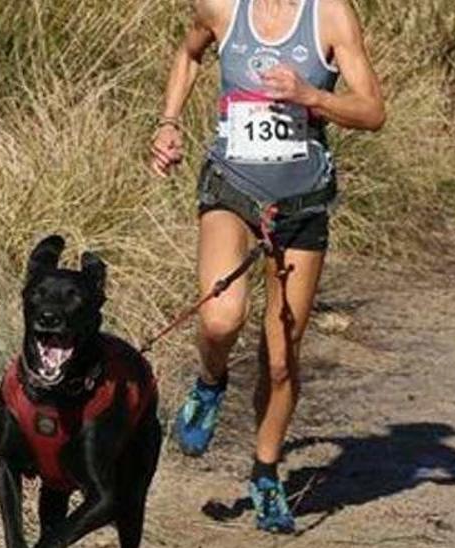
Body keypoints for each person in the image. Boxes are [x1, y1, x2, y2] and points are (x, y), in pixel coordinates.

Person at [149, 0, 385, 534]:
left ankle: (265, 471)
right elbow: (188, 56)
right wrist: (168, 124)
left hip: (301, 202)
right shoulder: (220, 8)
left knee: (281, 359)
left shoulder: (330, 15)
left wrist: (312, 96)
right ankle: (210, 381)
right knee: (219, 317)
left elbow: (372, 111)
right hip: (230, 186)